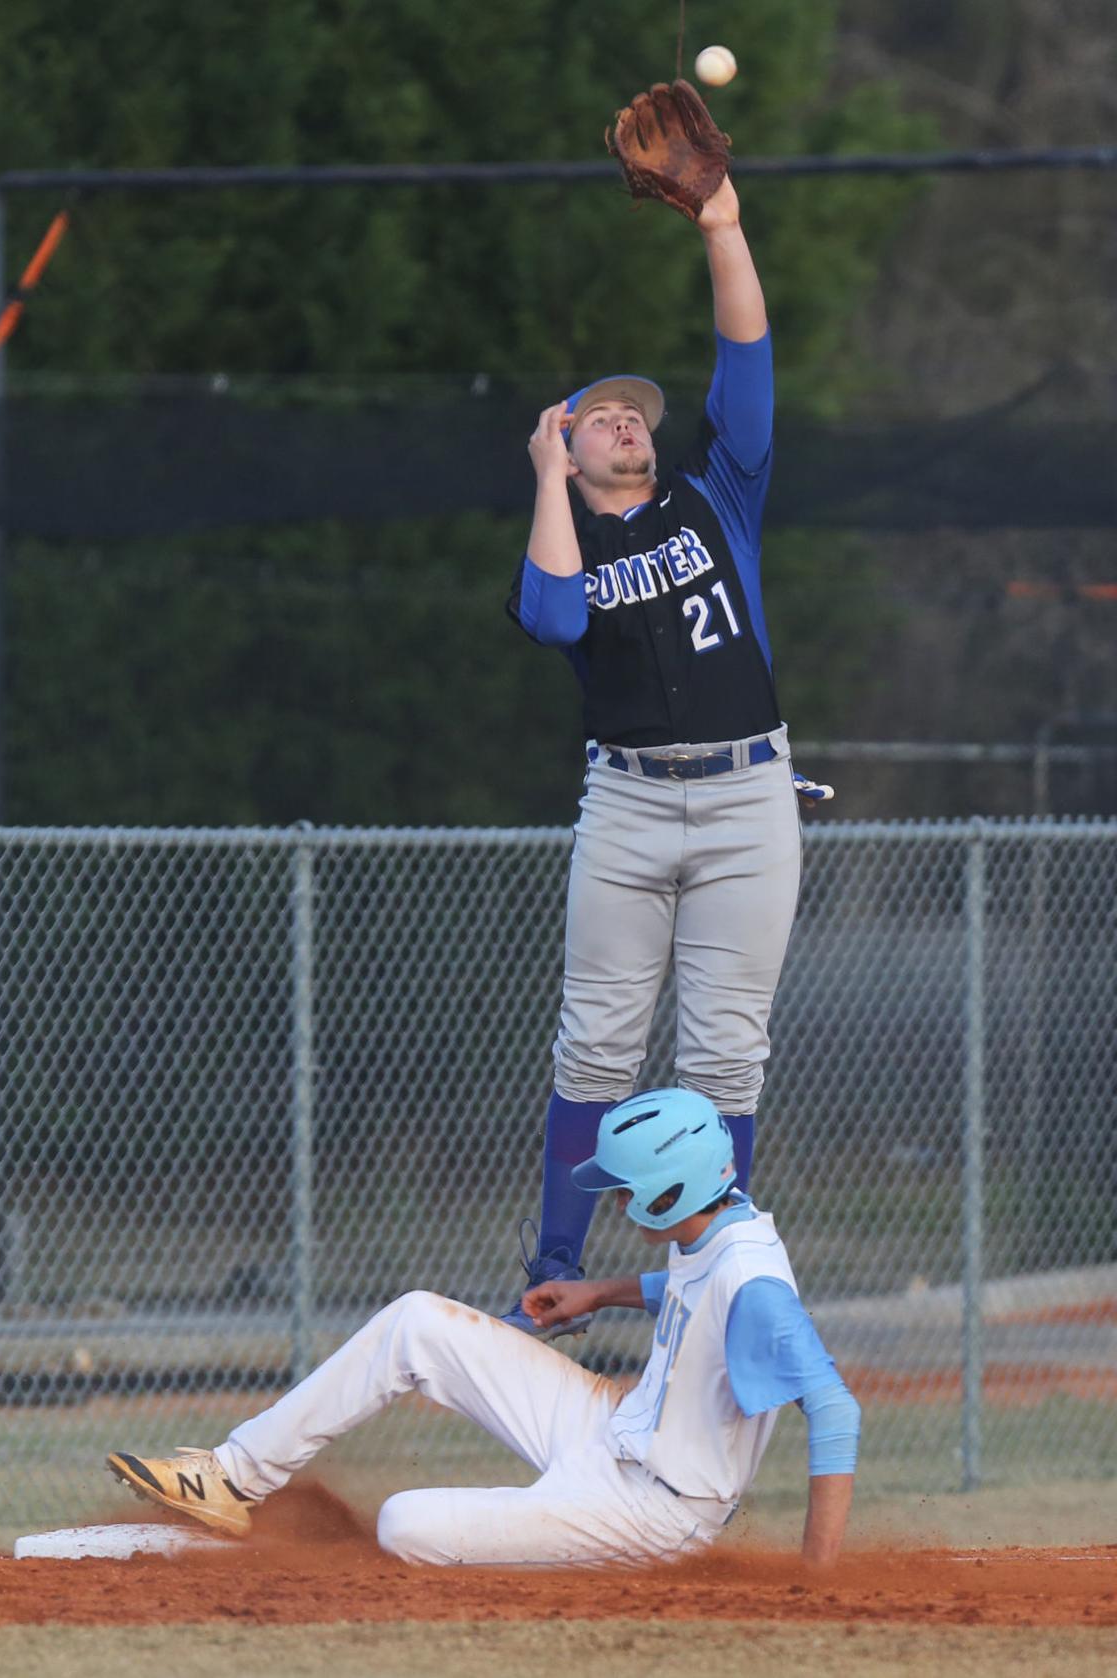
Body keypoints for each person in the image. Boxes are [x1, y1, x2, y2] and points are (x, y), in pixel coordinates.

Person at [502, 161, 829, 1337]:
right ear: (571, 452)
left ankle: (716, 1261)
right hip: (630, 804)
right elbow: (549, 619)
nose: (625, 416)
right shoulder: (571, 540)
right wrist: (547, 475)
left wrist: (725, 226)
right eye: (597, 414)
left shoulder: (716, 499)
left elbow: (747, 372)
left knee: (724, 1053)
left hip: (747, 794)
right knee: (597, 1037)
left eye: (632, 408)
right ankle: (552, 1267)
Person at [107, 1089, 859, 1570]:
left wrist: (816, 1583)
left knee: (406, 1525)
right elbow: (693, 1292)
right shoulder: (719, 1225)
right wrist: (596, 1292)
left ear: (670, 1191)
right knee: (415, 1323)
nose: (620, 1199)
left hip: (656, 1510)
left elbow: (833, 1409)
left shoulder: (755, 1282)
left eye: (627, 1188)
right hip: (612, 1427)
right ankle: (232, 1476)